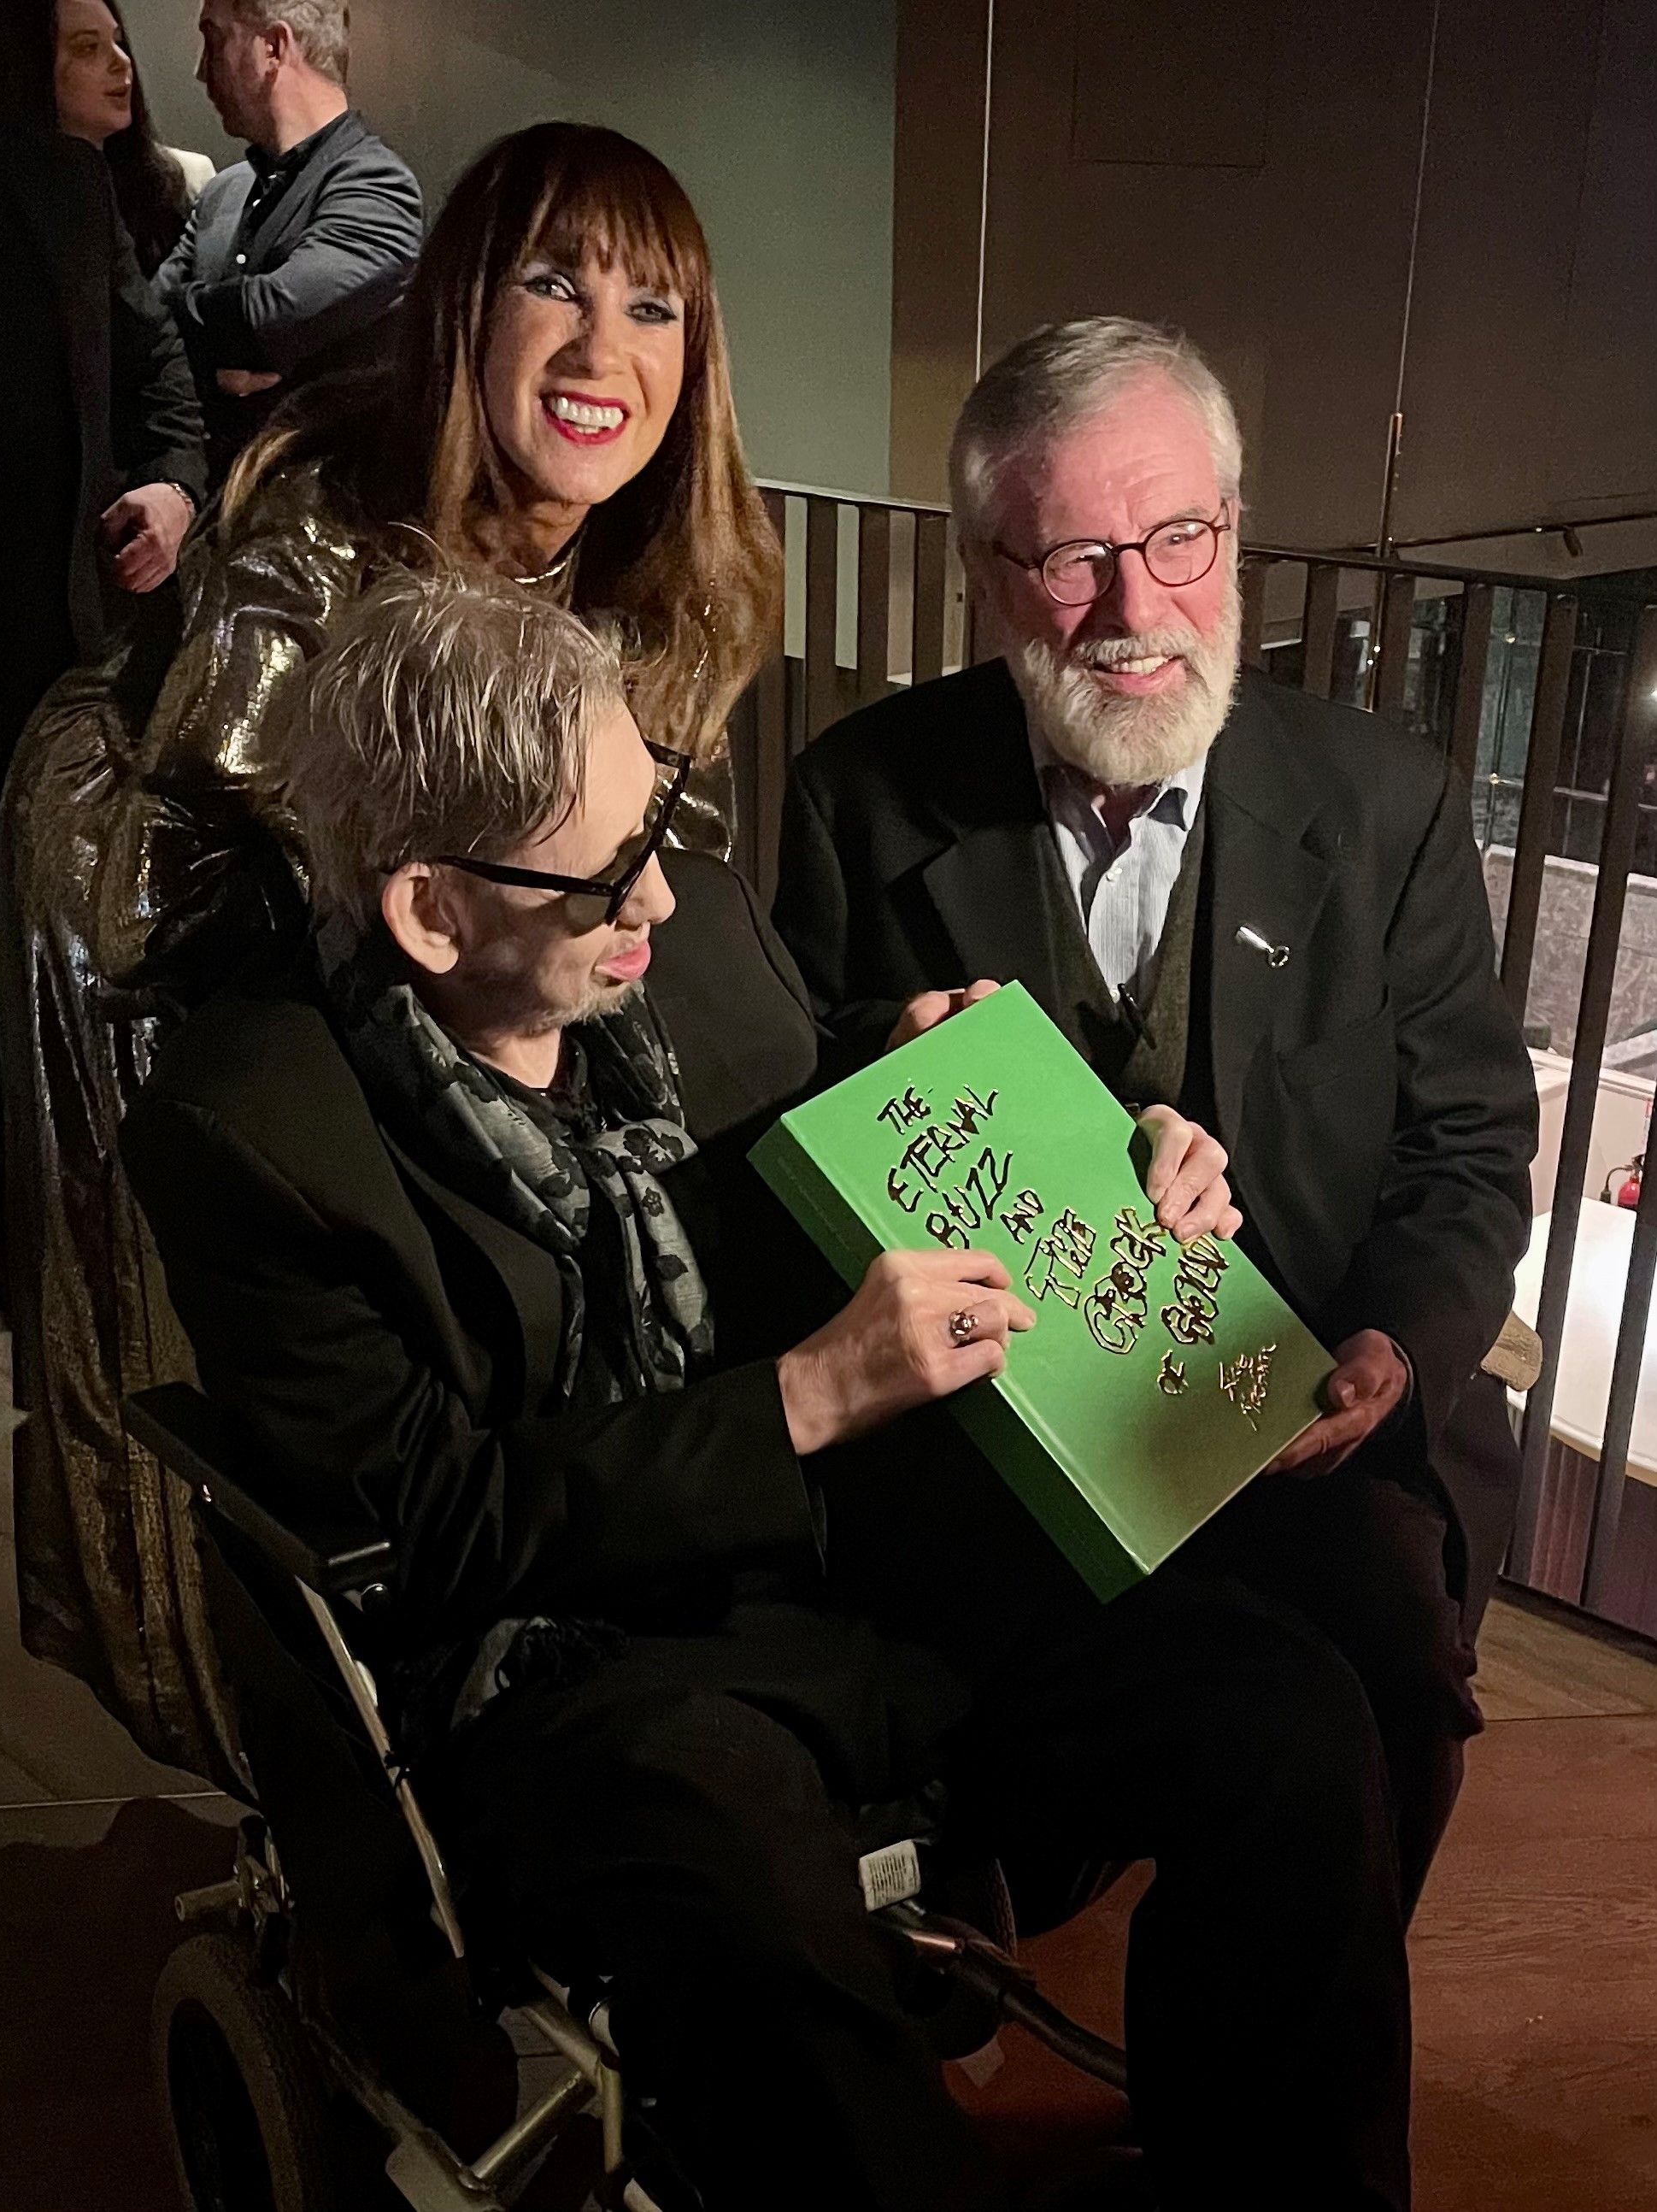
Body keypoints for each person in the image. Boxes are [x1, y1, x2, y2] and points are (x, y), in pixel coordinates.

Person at [120, 569, 1413, 2212]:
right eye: (603, 878)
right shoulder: (262, 1135)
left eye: (656, 815)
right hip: (567, 1658)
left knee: (1284, 1712)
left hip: (854, 1563)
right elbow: (424, 1517)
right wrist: (800, 1396)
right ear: (432, 911)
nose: (658, 893)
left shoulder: (701, 930)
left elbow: (811, 1109)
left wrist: (1098, 1150)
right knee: (745, 1891)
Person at [0, 121, 782, 1779]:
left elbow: (624, 868)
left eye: (654, 308)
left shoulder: (674, 570)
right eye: (550, 284)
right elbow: (169, 893)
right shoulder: (316, 520)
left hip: (454, 935)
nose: (599, 353)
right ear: (461, 309)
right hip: (185, 882)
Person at [774, 315, 1540, 1921]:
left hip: (1301, 1411)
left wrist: (1393, 1350)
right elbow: (784, 1083)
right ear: (990, 575)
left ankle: (1278, 2035)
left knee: (1395, 1670)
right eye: (1073, 557)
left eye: (1179, 537)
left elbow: (1468, 1145)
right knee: (943, 1640)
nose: (1137, 609)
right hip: (988, 1422)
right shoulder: (860, 791)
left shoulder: (1386, 804)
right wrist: (881, 1048)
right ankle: (988, 1896)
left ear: (1235, 535)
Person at [0, 0, 204, 1398]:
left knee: (57, 972)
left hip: (54, 654)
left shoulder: (50, 180)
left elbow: (163, 384)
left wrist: (173, 490)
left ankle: (46, 1250)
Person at [158, 0, 422, 481]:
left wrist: (184, 343)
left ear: (273, 48)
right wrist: (211, 376)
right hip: (198, 517)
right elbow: (140, 328)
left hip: (309, 527)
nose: (200, 70)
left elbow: (268, 318)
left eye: (214, 40)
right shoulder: (224, 190)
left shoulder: (378, 188)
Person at [0, 0, 214, 279]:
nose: (122, 61)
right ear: (34, 67)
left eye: (118, 41)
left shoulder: (184, 181)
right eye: (89, 47)